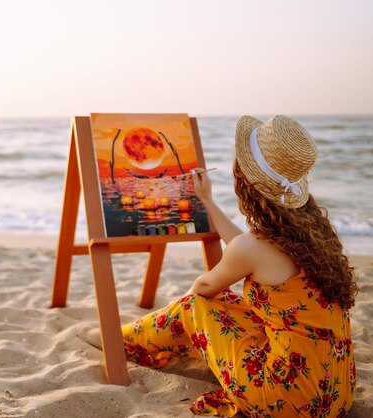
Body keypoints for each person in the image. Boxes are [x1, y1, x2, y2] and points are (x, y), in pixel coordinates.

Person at [121, 115, 357, 417]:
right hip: (335, 391)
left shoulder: (253, 249)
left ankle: (124, 340)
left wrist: (192, 309)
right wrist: (207, 201)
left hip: (289, 400)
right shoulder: (312, 235)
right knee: (234, 307)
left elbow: (206, 287)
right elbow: (245, 248)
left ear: (244, 179)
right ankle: (135, 337)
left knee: (195, 305)